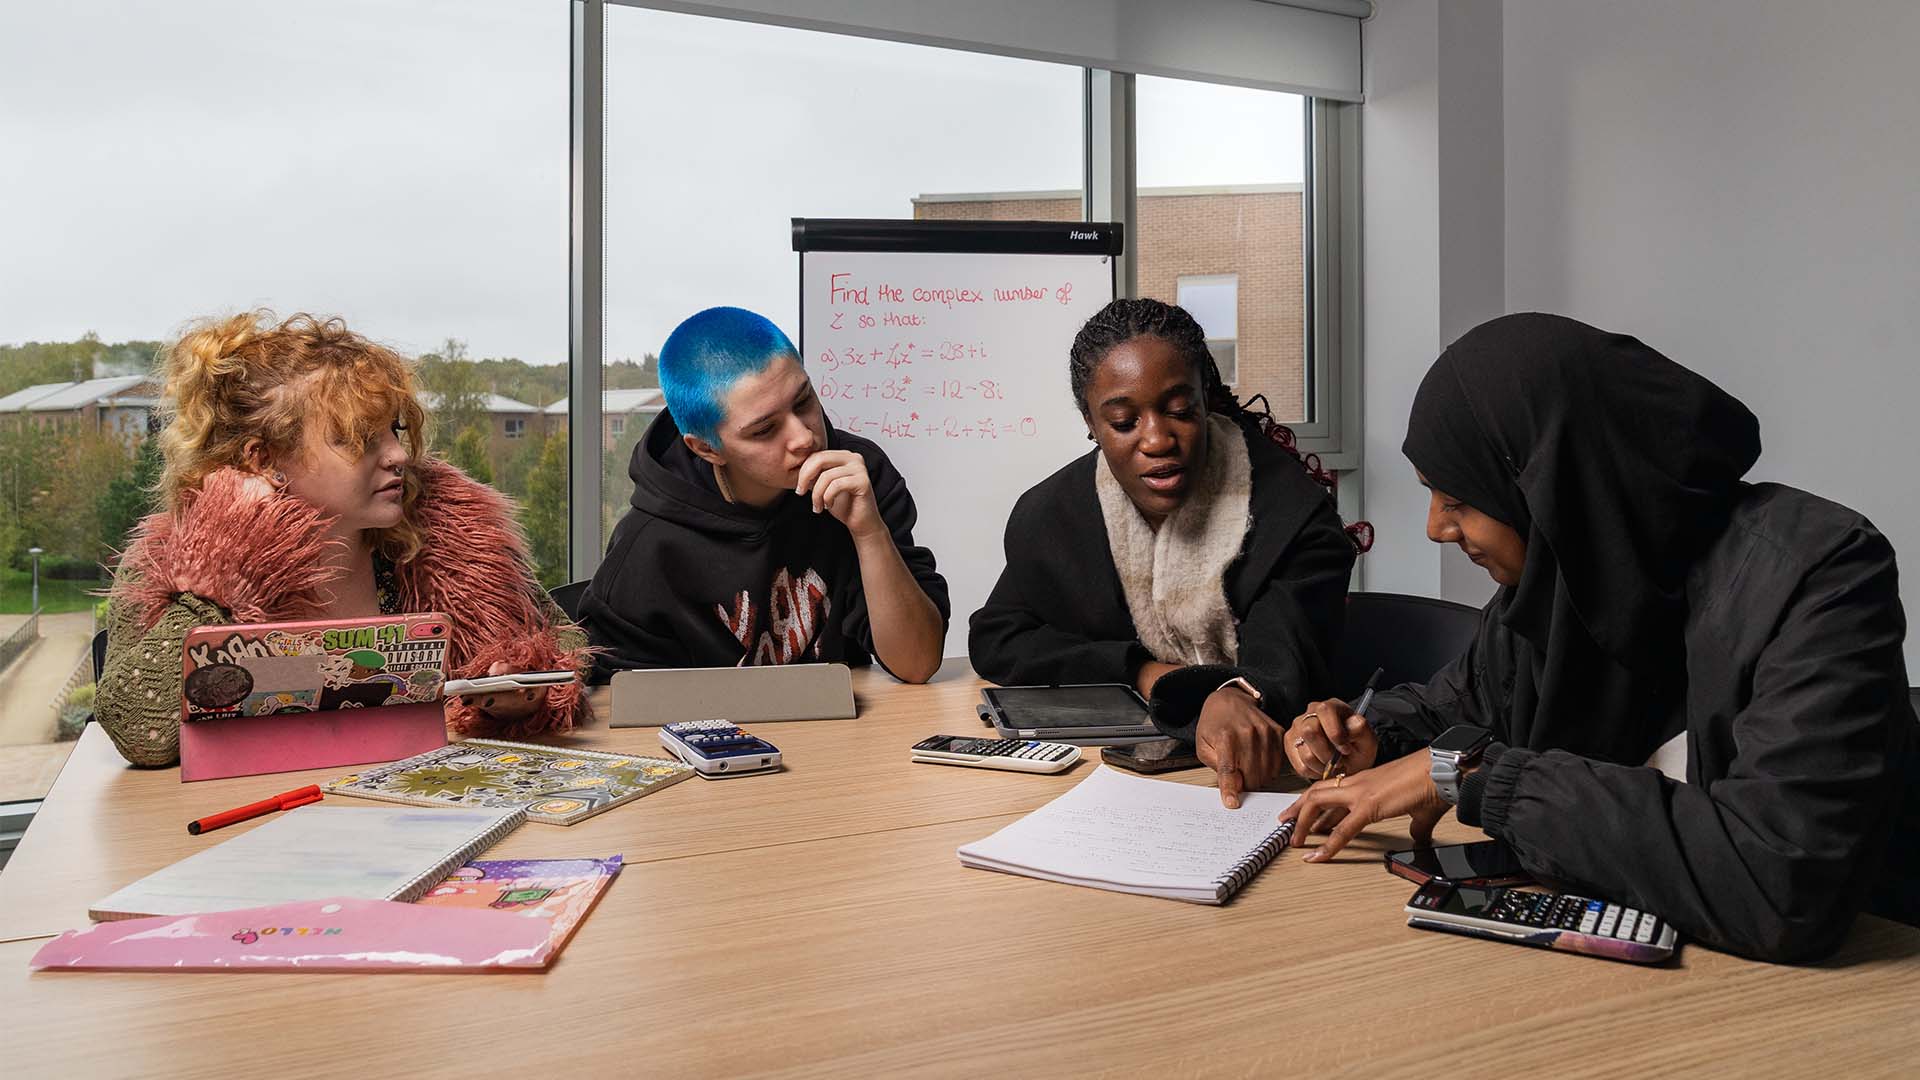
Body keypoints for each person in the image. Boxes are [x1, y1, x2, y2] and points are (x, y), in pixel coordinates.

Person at [1275, 312, 1918, 962]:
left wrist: (1478, 775)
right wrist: (1366, 739)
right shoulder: (1560, 585)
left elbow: (1784, 885)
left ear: (1549, 481)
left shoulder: (1818, 580)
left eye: (1460, 498)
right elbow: (1454, 712)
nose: (1437, 528)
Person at [97, 311, 592, 768]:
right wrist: (222, 567)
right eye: (359, 438)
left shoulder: (449, 535)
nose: (399, 454)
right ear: (262, 460)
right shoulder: (170, 564)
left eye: (394, 430)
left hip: (417, 802)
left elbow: (562, 640)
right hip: (247, 825)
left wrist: (522, 687)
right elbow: (141, 733)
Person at [969, 298, 1363, 805]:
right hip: (1107, 787)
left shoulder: (1294, 515)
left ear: (1207, 401)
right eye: (1124, 422)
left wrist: (1230, 695)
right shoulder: (1051, 516)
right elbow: (999, 638)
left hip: (1276, 784)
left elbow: (1281, 677)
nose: (1157, 439)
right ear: (1091, 423)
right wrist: (1146, 671)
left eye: (1179, 411)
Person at [579, 306, 947, 682]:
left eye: (803, 401)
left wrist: (870, 534)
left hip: (845, 731)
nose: (804, 437)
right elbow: (618, 708)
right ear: (707, 449)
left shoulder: (857, 475)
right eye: (765, 430)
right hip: (711, 736)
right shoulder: (648, 546)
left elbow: (916, 664)